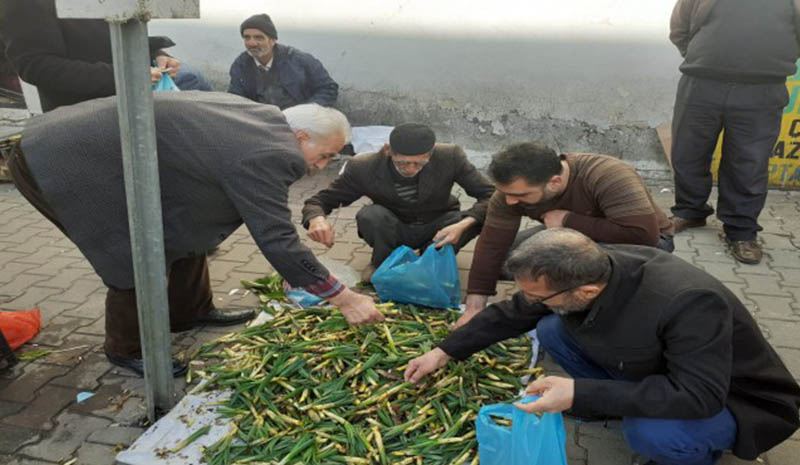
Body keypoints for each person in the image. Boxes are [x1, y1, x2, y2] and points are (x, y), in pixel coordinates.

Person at [6, 92, 384, 376]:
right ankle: (127, 348)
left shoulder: (270, 118)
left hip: (102, 150)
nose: (320, 168)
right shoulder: (273, 152)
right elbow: (275, 237)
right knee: (131, 251)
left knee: (184, 228)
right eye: (323, 156)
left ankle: (190, 311)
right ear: (301, 136)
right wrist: (343, 298)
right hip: (60, 161)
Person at [405, 228, 800, 465]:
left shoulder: (688, 302)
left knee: (650, 434)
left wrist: (578, 391)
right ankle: (605, 405)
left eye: (540, 295)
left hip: (731, 398)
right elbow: (513, 312)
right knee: (553, 328)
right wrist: (444, 351)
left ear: (588, 290)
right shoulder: (589, 267)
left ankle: (693, 454)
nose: (531, 300)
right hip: (658, 366)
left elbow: (699, 396)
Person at [457, 142, 674, 327]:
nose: (510, 201)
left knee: (562, 273)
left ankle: (585, 314)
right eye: (505, 193)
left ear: (555, 182)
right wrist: (474, 308)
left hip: (643, 241)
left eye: (519, 195)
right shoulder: (510, 193)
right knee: (509, 261)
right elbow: (492, 246)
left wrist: (569, 221)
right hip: (569, 231)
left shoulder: (607, 175)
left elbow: (643, 235)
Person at [668, 0, 800, 265]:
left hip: (762, 88)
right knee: (688, 152)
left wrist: (776, 60)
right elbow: (679, 27)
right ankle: (690, 210)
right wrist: (698, 57)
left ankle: (741, 230)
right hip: (701, 82)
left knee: (748, 163)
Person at [301, 123, 495, 281]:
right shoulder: (363, 167)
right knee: (371, 215)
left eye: (419, 163)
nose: (410, 169)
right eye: (402, 163)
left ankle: (431, 259)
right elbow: (320, 201)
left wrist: (463, 224)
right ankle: (382, 261)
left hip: (439, 226)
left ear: (431, 154)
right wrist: (317, 218)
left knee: (472, 219)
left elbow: (490, 195)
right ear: (388, 150)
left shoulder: (450, 156)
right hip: (395, 226)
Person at [0, 0, 212, 113]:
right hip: (83, 114)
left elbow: (118, 39)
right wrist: (124, 77)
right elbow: (38, 66)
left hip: (128, 103)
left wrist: (158, 56)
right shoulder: (24, 2)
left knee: (189, 77)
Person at [228, 13, 338, 109]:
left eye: (259, 38)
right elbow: (235, 99)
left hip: (300, 121)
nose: (252, 43)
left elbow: (328, 88)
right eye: (247, 37)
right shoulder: (240, 65)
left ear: (272, 40)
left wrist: (306, 111)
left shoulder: (299, 61)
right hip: (261, 122)